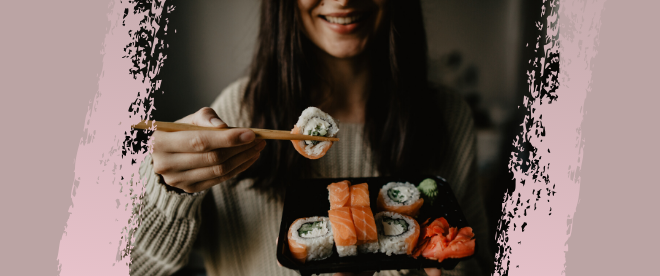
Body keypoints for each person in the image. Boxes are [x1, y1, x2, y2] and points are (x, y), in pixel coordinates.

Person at [129, 0, 493, 275]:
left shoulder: (448, 115)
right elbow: (135, 268)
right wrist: (169, 193)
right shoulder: (233, 117)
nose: (343, 0)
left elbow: (476, 259)